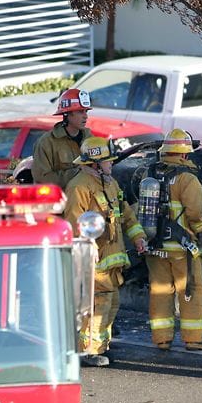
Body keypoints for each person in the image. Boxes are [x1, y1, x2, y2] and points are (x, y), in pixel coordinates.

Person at [63, 136, 147, 367]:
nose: (111, 164)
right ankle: (86, 351)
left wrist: (138, 237)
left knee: (110, 304)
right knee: (96, 305)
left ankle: (99, 347)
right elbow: (73, 225)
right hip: (93, 259)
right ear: (94, 165)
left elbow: (126, 215)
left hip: (112, 259)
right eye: (107, 161)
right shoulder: (78, 186)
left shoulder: (111, 184)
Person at [144, 128, 202, 351]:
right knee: (191, 290)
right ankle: (193, 338)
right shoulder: (187, 178)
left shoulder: (150, 175)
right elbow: (194, 213)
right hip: (181, 249)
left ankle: (162, 339)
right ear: (184, 155)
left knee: (160, 292)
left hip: (155, 246)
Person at [31, 88, 94, 190]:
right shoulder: (47, 143)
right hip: (61, 202)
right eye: (80, 111)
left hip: (87, 197)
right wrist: (77, 172)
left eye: (86, 111)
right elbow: (41, 179)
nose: (85, 116)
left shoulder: (89, 137)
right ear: (67, 114)